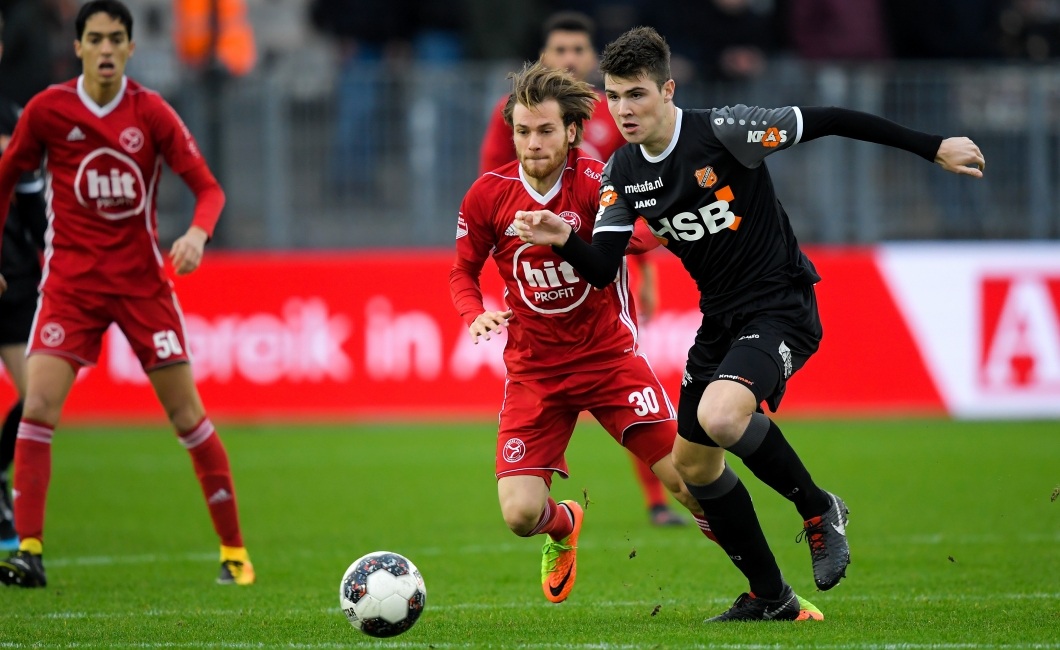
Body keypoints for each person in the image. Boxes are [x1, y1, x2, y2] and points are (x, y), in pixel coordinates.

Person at [515, 26, 985, 621]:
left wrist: (933, 145)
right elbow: (604, 267)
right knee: (694, 467)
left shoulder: (727, 131)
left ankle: (819, 509)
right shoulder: (622, 171)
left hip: (780, 303)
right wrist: (564, 240)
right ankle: (772, 598)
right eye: (613, 96)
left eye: (636, 94)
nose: (624, 110)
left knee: (721, 414)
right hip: (721, 322)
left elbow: (832, 117)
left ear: (668, 89)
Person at [0, 0, 255, 588]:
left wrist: (196, 232)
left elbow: (208, 189)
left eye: (117, 38)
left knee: (186, 416)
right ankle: (30, 552)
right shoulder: (48, 110)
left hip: (142, 287)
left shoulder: (152, 113)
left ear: (131, 48)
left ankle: (235, 555)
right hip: (71, 285)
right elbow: (8, 175)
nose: (107, 48)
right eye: (97, 38)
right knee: (37, 408)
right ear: (80, 46)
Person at [450, 61, 723, 605]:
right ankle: (564, 525)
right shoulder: (487, 195)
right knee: (520, 514)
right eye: (523, 131)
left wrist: (627, 236)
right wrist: (472, 312)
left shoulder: (601, 182)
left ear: (571, 131)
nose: (532, 143)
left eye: (545, 130)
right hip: (534, 374)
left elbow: (647, 232)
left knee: (692, 488)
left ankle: (767, 587)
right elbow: (461, 269)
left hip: (609, 362)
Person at [478, 11, 683, 528]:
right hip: (540, 293)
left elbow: (637, 205)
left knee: (627, 398)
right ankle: (566, 519)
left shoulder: (615, 122)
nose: (570, 59)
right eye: (559, 51)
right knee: (519, 508)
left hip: (602, 269)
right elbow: (494, 194)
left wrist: (649, 274)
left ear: (591, 59)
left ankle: (659, 501)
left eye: (578, 51)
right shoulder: (520, 126)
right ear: (545, 59)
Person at [0, 8, 48, 552]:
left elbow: (33, 206)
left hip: (14, 279)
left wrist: (47, 262)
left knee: (35, 397)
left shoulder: (15, 117)